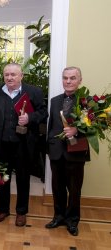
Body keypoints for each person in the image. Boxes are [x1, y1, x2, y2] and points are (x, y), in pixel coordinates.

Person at [0, 63, 47, 226]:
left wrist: (30, 118)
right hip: (1, 143)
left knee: (23, 178)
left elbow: (43, 112)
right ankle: (3, 209)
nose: (9, 77)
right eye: (7, 74)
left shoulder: (33, 92)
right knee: (2, 178)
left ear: (21, 76)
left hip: (24, 144)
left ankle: (21, 212)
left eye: (13, 74)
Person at [45, 66, 90, 236]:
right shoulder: (55, 101)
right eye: (65, 78)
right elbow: (52, 127)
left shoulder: (87, 102)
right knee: (57, 188)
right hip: (57, 152)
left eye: (72, 78)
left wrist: (76, 131)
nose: (68, 81)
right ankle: (58, 217)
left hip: (76, 152)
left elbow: (93, 128)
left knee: (74, 189)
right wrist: (49, 147)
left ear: (80, 80)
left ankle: (72, 221)